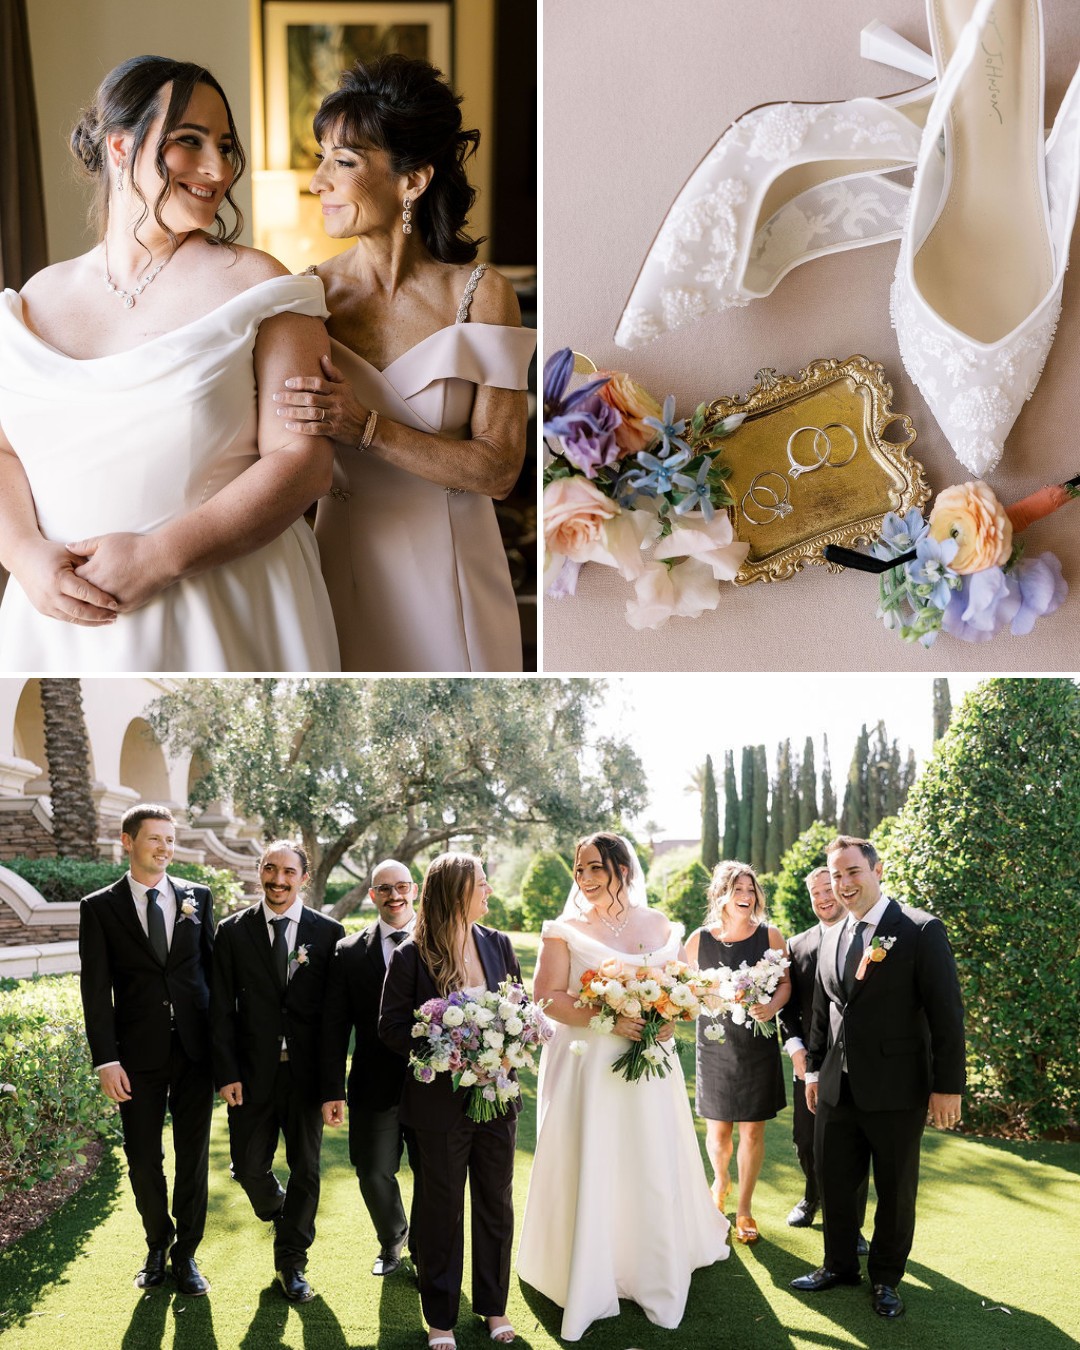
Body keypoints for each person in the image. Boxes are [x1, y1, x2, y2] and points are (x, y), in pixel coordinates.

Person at [0, 55, 340, 672]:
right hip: (54, 624)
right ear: (122, 147)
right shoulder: (32, 301)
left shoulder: (262, 285)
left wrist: (160, 557)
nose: (218, 168)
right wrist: (23, 553)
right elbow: (3, 452)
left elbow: (304, 464)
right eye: (190, 141)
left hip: (221, 610)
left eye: (226, 145)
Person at [272, 54, 537, 672]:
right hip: (341, 561)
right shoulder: (305, 298)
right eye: (321, 159)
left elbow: (499, 470)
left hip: (456, 567)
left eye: (344, 162)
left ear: (412, 180)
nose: (318, 182)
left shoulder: (479, 294)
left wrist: (365, 427)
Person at [517, 833, 730, 1342]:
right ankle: (592, 1266)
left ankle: (652, 1263)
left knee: (649, 1157)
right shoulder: (563, 930)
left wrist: (669, 1018)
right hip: (589, 1068)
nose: (585, 879)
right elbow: (545, 999)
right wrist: (608, 1019)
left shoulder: (659, 925)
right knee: (598, 1156)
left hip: (649, 1067)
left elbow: (678, 989)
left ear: (622, 869)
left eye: (595, 868)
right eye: (579, 870)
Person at [791, 836, 966, 1320]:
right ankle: (838, 1265)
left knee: (894, 1188)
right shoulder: (833, 935)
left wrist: (947, 1086)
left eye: (852, 872)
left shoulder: (919, 929)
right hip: (835, 1088)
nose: (843, 884)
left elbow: (946, 1013)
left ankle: (885, 1279)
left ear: (877, 870)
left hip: (897, 1087)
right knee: (835, 1181)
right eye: (836, 875)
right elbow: (826, 1010)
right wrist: (813, 1072)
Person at [379, 852, 519, 1348]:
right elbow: (391, 1027)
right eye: (481, 883)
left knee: (496, 1204)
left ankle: (494, 1308)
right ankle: (441, 1318)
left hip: (498, 1098)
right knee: (440, 1210)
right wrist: (450, 1052)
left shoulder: (499, 944)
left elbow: (518, 1011)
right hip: (438, 1107)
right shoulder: (411, 956)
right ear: (458, 891)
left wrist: (506, 1053)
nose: (489, 892)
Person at [78, 803, 215, 1296]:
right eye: (154, 838)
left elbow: (211, 976)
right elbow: (95, 989)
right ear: (127, 841)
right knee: (142, 1156)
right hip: (135, 1056)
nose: (164, 848)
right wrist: (106, 1059)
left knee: (193, 1155)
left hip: (197, 1053)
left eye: (170, 839)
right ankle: (157, 1242)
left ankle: (187, 1255)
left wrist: (224, 1051)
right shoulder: (99, 907)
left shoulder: (198, 897)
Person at [210, 841, 345, 1302]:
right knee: (249, 1168)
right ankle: (279, 1209)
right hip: (249, 1075)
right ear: (259, 872)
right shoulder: (231, 932)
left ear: (304, 877)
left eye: (289, 871)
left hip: (306, 1078)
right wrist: (226, 1073)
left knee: (307, 1168)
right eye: (270, 869)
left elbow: (333, 1019)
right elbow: (220, 1011)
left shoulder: (328, 933)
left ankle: (292, 1263)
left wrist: (333, 1089)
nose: (279, 879)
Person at [321, 858, 418, 1277]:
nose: (393, 896)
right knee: (373, 1171)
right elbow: (334, 1025)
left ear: (413, 889)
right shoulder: (348, 952)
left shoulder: (440, 941)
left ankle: (431, 1251)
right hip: (372, 1084)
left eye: (401, 886)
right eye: (383, 888)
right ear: (371, 894)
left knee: (435, 1176)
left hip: (433, 1083)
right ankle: (393, 1238)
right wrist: (331, 1089)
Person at [686, 860, 790, 1246]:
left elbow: (785, 983)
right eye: (738, 890)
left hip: (757, 1046)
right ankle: (721, 1179)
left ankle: (744, 1207)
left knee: (752, 1131)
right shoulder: (699, 940)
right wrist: (705, 995)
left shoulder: (771, 936)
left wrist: (773, 1006)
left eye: (751, 890)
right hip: (714, 1044)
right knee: (719, 1131)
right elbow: (682, 988)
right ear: (720, 895)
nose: (746, 897)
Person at [778, 866, 868, 1245]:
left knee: (854, 1146)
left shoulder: (869, 938)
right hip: (811, 1065)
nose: (822, 898)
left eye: (826, 889)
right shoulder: (796, 946)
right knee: (806, 1141)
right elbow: (787, 1008)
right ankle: (812, 1196)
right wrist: (797, 1051)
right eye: (814, 893)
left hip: (856, 1065)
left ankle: (852, 1225)